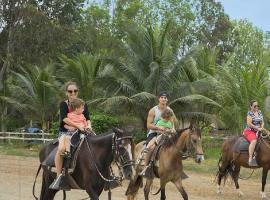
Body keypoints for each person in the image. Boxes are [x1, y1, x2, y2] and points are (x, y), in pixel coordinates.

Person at [50, 81, 92, 190]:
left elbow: (87, 118)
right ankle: (59, 177)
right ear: (66, 93)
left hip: (82, 130)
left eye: (75, 91)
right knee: (61, 149)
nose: (73, 93)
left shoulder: (83, 104)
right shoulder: (63, 104)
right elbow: (64, 119)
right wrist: (78, 126)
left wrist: (89, 126)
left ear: (77, 92)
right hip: (65, 131)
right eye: (70, 91)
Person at [140, 92, 176, 178]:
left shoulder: (170, 110)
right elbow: (148, 125)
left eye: (165, 98)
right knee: (151, 148)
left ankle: (175, 168)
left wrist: (173, 128)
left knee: (176, 146)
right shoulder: (153, 110)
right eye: (162, 97)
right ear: (159, 99)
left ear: (167, 100)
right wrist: (159, 128)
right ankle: (145, 167)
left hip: (167, 133)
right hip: (154, 133)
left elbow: (172, 121)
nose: (164, 99)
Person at [243, 100, 264, 167]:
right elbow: (249, 124)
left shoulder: (259, 112)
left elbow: (262, 121)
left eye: (257, 105)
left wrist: (262, 127)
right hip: (249, 131)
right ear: (251, 106)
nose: (256, 107)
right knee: (254, 141)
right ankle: (250, 159)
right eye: (255, 106)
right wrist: (257, 128)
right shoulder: (249, 113)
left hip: (259, 130)